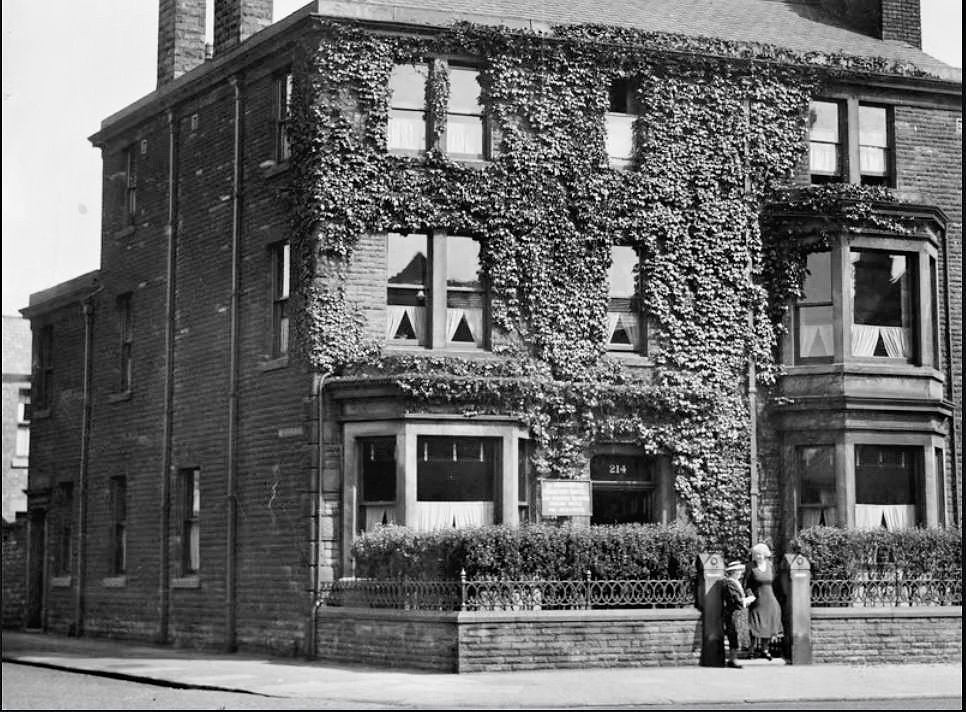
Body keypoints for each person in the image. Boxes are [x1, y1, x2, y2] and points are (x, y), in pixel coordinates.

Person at [744, 542, 783, 660]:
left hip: (770, 600)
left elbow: (775, 583)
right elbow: (746, 584)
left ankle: (765, 650)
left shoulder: (771, 566)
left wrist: (780, 596)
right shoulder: (750, 566)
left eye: (760, 554)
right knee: (754, 625)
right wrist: (750, 596)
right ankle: (750, 650)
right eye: (756, 554)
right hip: (757, 600)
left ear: (765, 554)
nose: (758, 556)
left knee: (767, 625)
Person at [722, 560, 755, 669]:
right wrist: (746, 600)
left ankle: (733, 658)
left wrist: (748, 597)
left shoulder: (736, 582)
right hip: (733, 612)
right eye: (739, 571)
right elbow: (735, 598)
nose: (741, 573)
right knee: (734, 635)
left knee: (737, 635)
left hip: (739, 612)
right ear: (734, 572)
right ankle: (732, 659)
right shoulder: (730, 583)